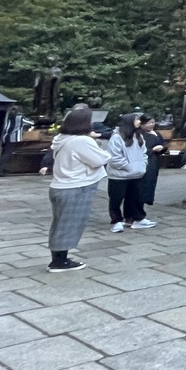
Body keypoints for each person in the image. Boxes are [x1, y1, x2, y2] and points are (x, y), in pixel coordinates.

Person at [46, 106, 110, 272]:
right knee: (70, 225)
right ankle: (59, 261)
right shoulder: (81, 141)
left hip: (60, 185)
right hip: (76, 186)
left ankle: (59, 257)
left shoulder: (61, 138)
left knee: (60, 224)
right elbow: (99, 159)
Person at [105, 113, 154, 233]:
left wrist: (142, 165)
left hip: (136, 174)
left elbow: (143, 152)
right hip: (119, 175)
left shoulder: (138, 136)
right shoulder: (117, 137)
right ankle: (116, 221)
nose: (139, 121)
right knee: (116, 199)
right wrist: (129, 167)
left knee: (135, 198)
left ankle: (135, 218)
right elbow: (114, 157)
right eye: (137, 119)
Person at [140, 115, 166, 208]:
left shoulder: (156, 133)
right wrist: (153, 150)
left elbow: (163, 144)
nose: (151, 125)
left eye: (153, 122)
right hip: (144, 161)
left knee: (151, 181)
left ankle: (147, 200)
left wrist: (162, 147)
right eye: (148, 123)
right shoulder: (139, 134)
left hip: (154, 160)